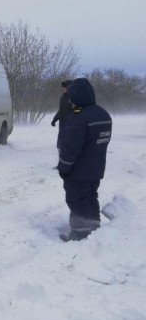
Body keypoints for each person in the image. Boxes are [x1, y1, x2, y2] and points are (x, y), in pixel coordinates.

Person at [56, 77, 112, 242]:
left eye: (72, 96)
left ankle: (79, 234)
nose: (70, 100)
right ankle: (94, 230)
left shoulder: (79, 118)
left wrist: (63, 168)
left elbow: (70, 148)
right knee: (90, 198)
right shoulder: (103, 114)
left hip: (78, 172)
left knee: (77, 200)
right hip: (96, 169)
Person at [51, 80, 73, 151]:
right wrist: (54, 120)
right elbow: (61, 111)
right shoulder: (62, 97)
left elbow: (78, 111)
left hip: (71, 123)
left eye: (64, 87)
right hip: (62, 122)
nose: (63, 89)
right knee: (60, 141)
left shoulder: (74, 97)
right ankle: (60, 151)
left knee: (68, 140)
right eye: (62, 87)